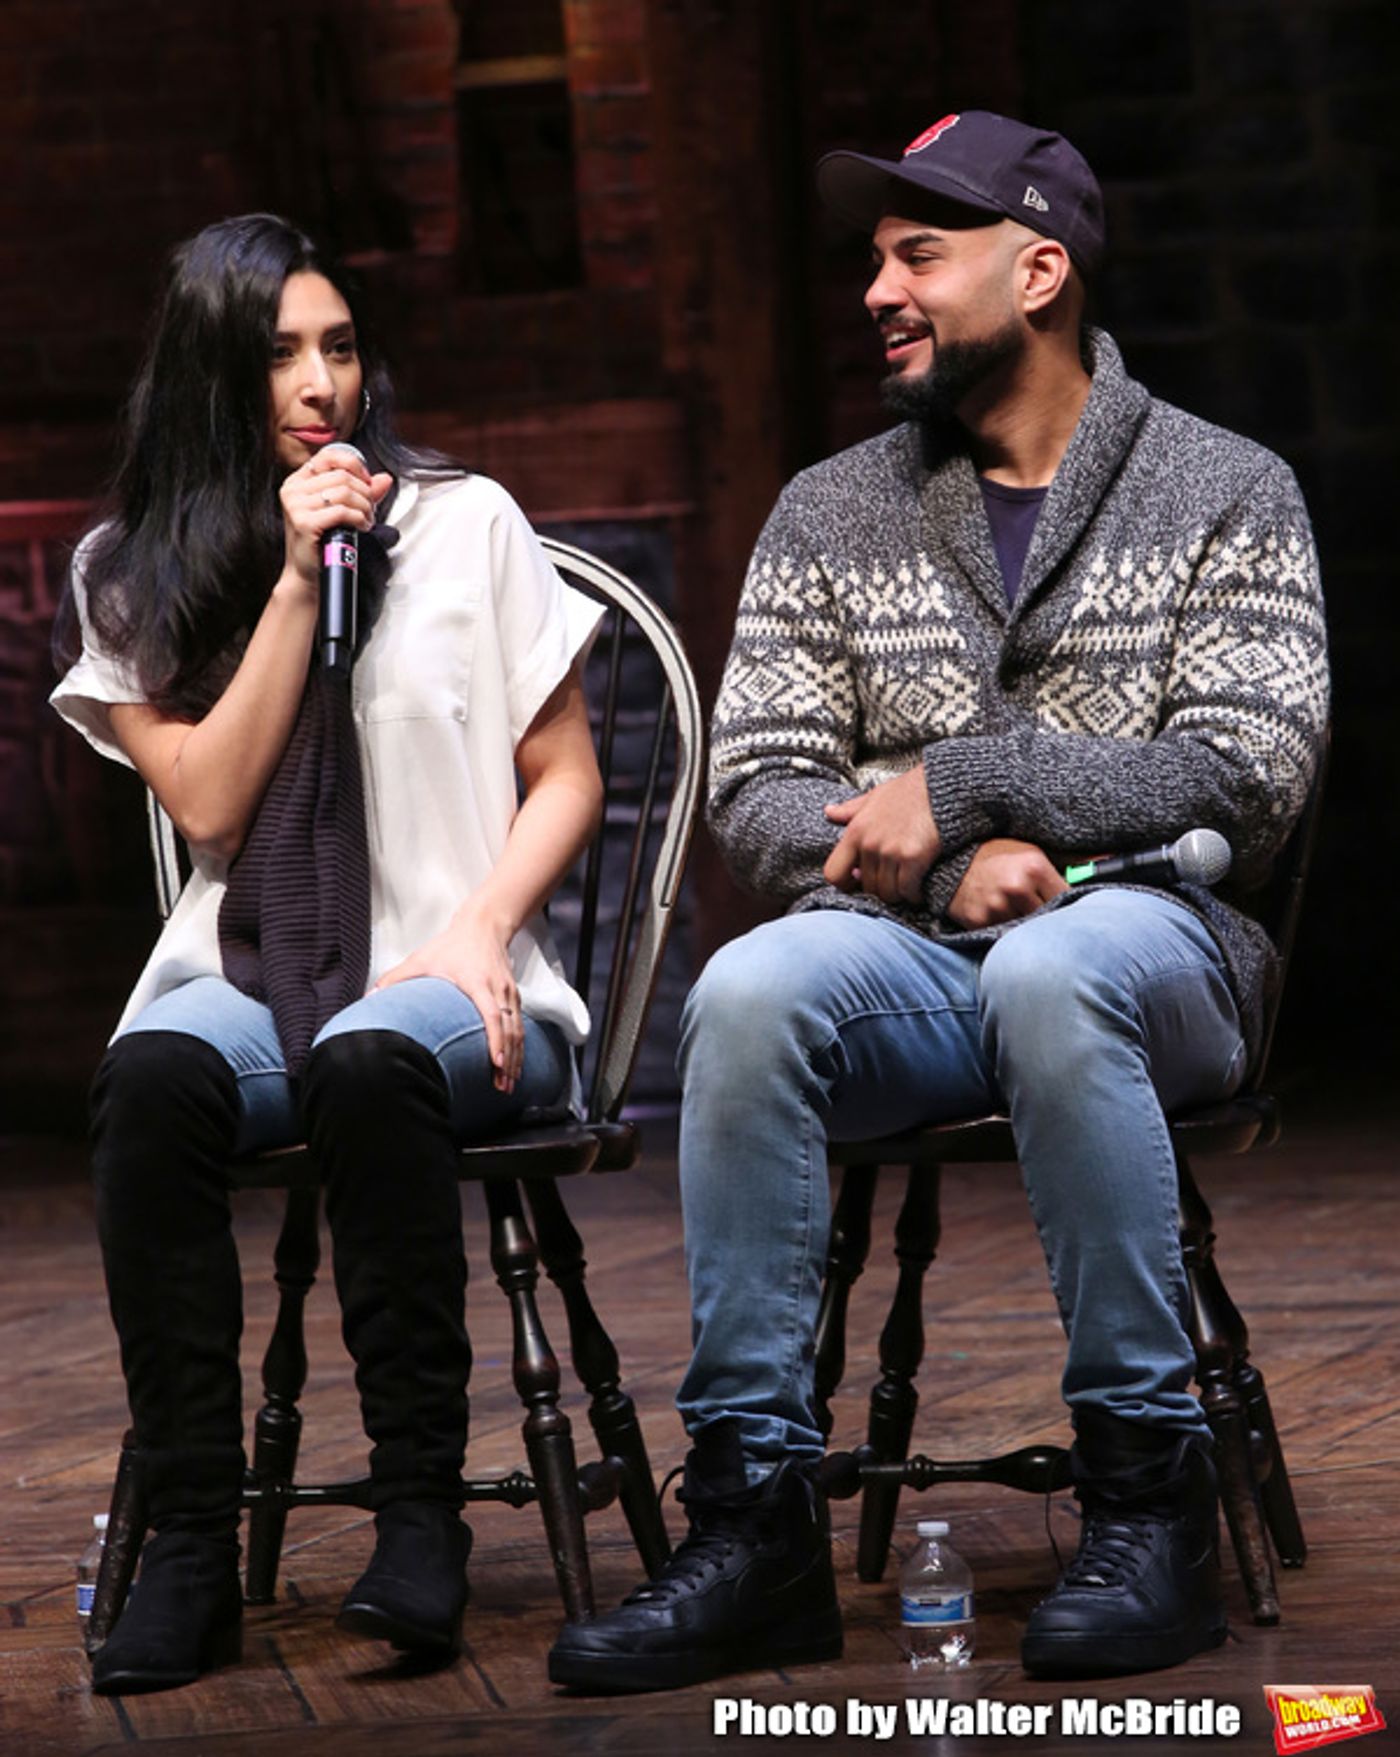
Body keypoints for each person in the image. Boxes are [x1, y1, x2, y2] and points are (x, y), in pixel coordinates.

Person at [548, 110, 1329, 1692]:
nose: (878, 291)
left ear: (1040, 271)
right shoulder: (831, 511)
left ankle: (1143, 1494)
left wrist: (969, 784)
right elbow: (759, 785)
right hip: (911, 959)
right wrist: (951, 863)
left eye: (920, 254)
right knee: (751, 990)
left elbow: (1248, 770)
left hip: (1161, 949)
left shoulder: (1223, 487)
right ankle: (754, 1517)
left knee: (1060, 977)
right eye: (875, 260)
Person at [51, 213, 604, 1694]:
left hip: (464, 989)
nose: (322, 383)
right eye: (282, 351)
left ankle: (417, 1518)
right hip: (247, 973)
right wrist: (298, 581)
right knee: (152, 1081)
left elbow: (569, 776)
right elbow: (217, 798)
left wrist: (480, 930)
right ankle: (189, 1541)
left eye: (341, 347)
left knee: (370, 1056)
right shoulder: (134, 573)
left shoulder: (466, 520)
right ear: (212, 374)